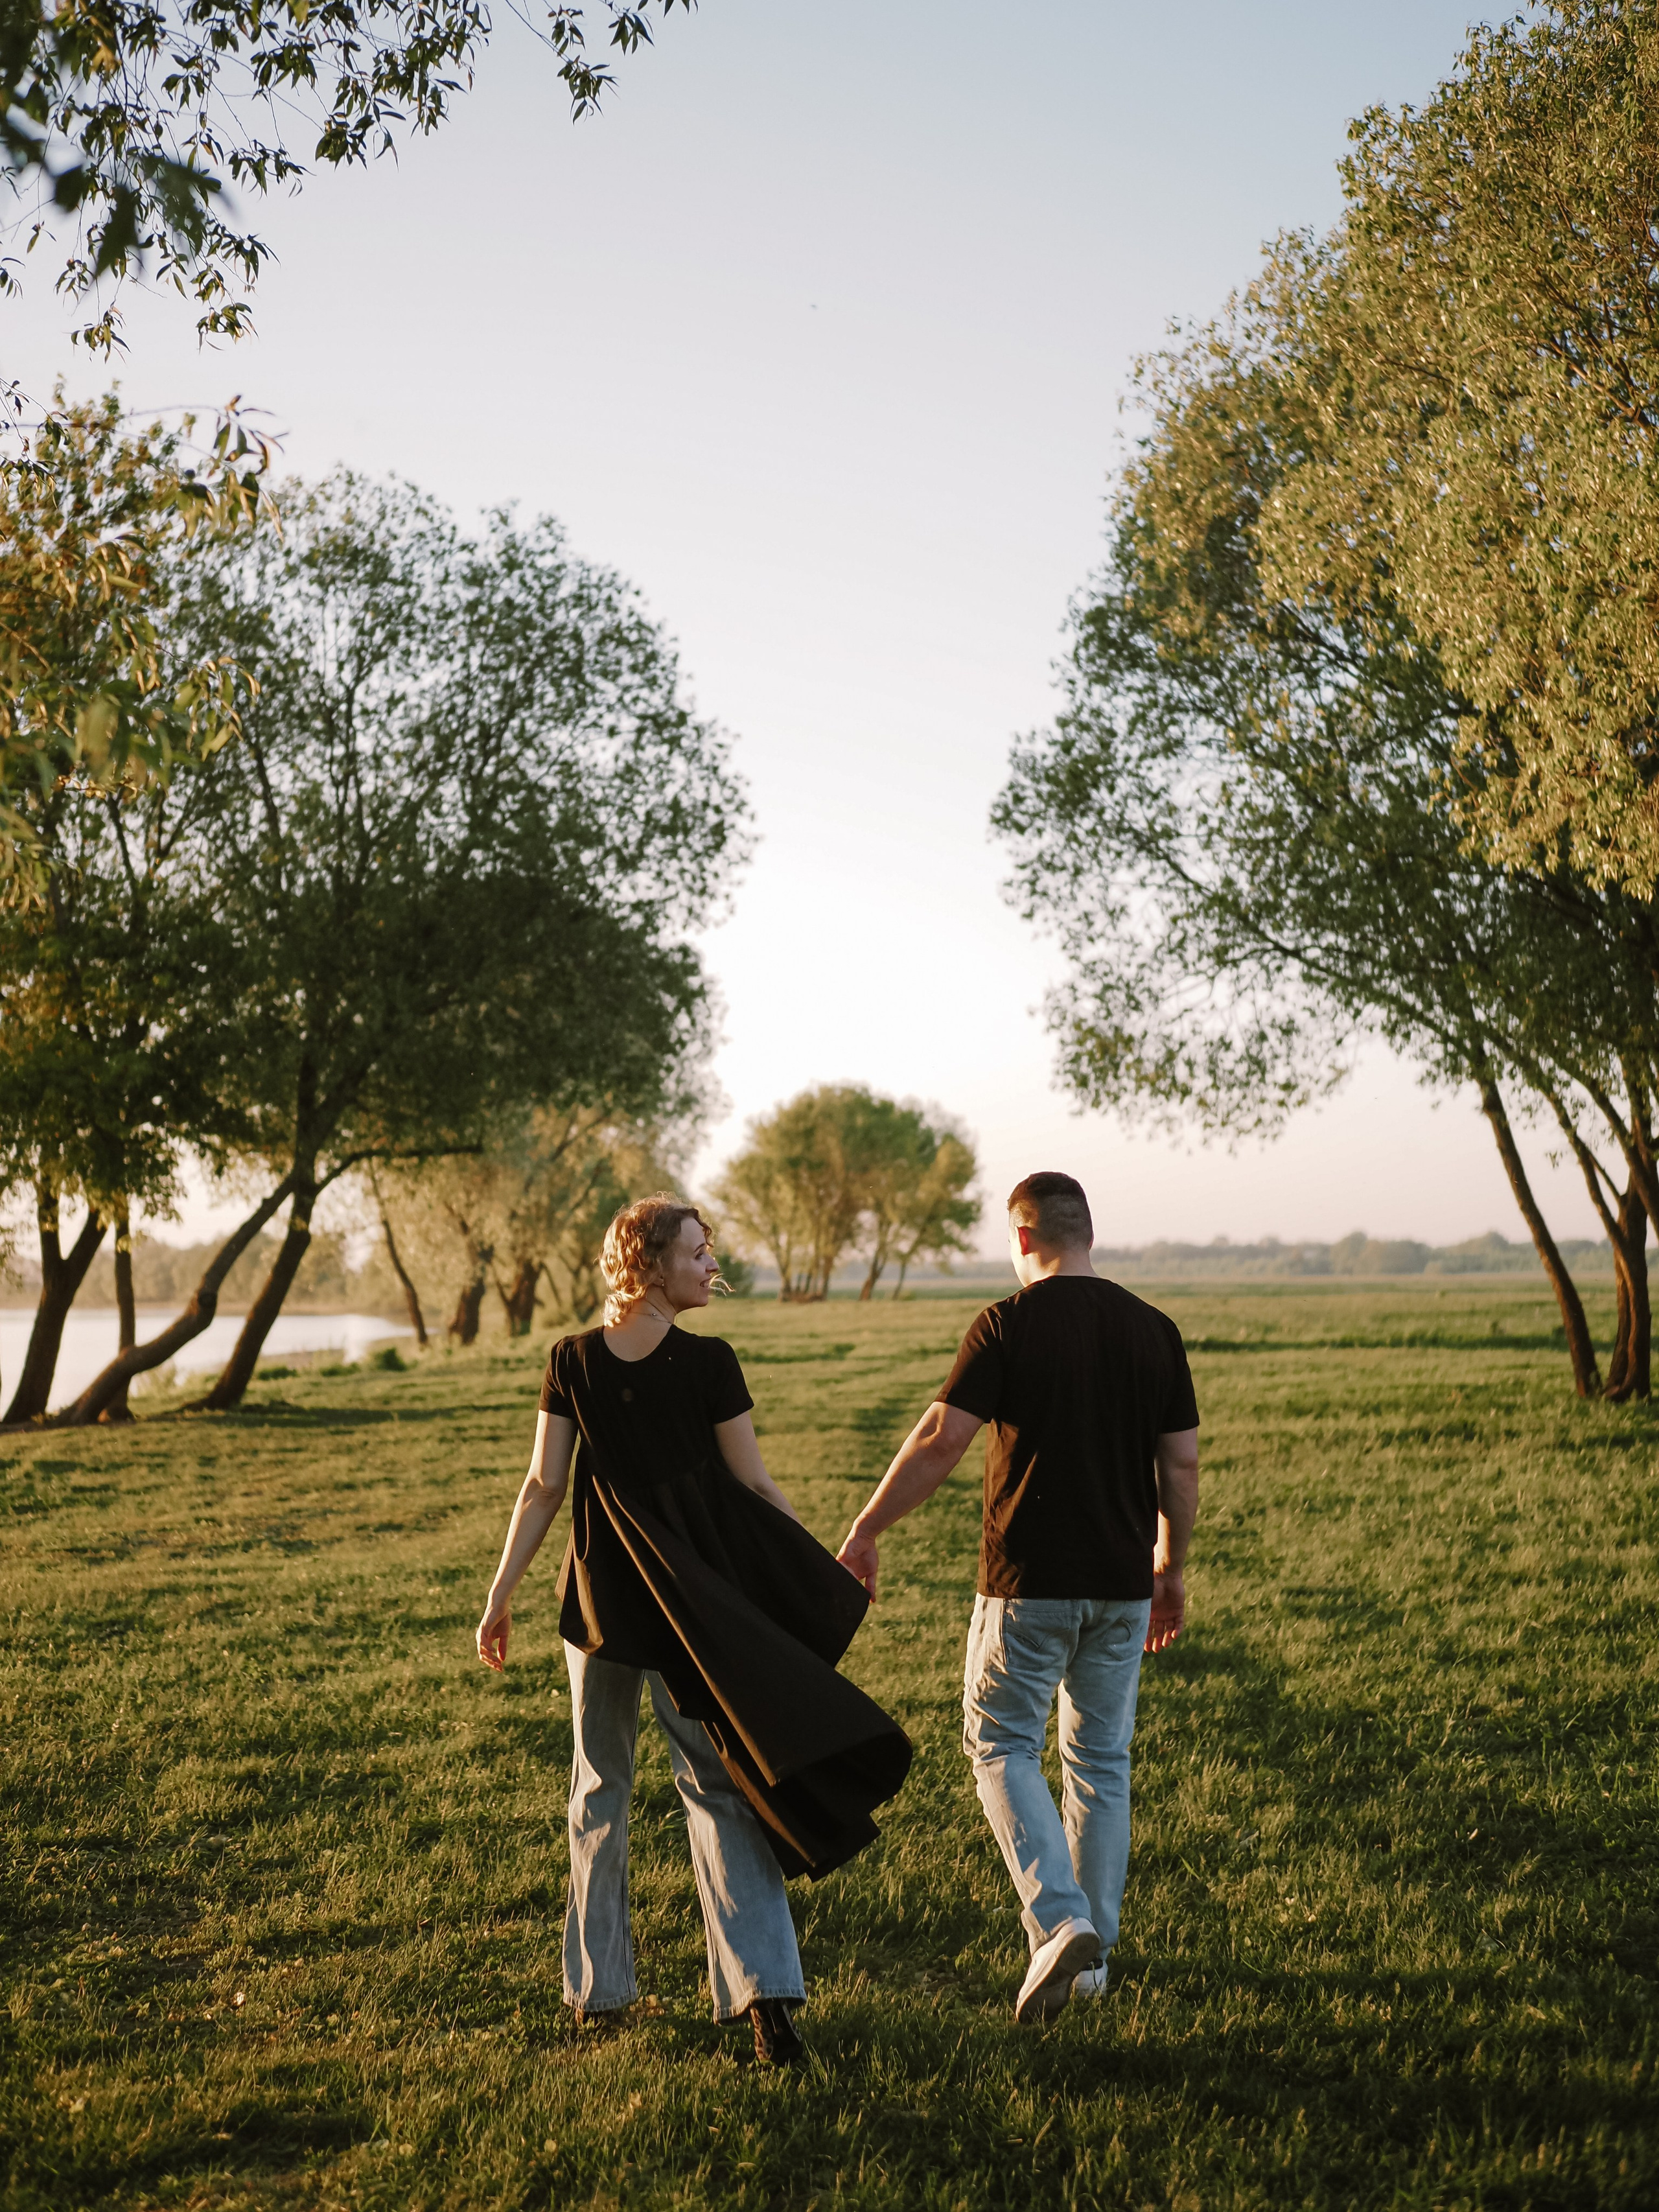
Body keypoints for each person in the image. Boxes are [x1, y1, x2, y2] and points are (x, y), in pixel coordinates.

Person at [476, 1193, 911, 2066]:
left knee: (599, 1786)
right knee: (714, 1790)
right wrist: (821, 1569)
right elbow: (751, 1486)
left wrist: (501, 1594)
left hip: (602, 1606)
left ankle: (600, 1997)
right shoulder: (701, 1363)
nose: (713, 1265)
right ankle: (767, 2002)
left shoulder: (575, 1360)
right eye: (698, 1252)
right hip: (685, 1610)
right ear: (647, 1264)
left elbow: (543, 1487)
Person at [836, 1170, 1199, 2025]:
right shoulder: (1155, 1330)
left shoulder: (1007, 1321)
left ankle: (1060, 1920)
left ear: (1025, 1238)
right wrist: (1169, 1568)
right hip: (1120, 1584)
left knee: (998, 1738)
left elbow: (942, 1438)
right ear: (1089, 1235)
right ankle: (1089, 1965)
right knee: (1100, 1762)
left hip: (1027, 1584)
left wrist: (866, 1526)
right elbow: (1178, 1465)